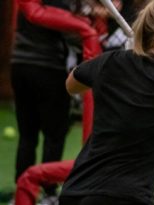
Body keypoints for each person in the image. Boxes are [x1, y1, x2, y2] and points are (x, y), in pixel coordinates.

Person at [58, 0, 154, 204]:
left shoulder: (111, 62)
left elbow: (72, 85)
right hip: (126, 198)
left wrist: (125, 60)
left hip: (76, 192)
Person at [10, 0, 74, 203]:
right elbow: (72, 32)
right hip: (49, 68)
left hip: (20, 65)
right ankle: (48, 193)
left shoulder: (26, 4)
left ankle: (21, 192)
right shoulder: (61, 4)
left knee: (27, 136)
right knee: (54, 135)